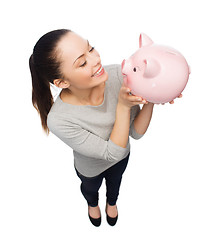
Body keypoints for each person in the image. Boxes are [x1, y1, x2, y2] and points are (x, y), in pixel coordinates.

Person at [29, 29, 160, 227]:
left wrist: (153, 96)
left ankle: (112, 202)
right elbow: (112, 152)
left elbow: (136, 133)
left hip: (122, 158)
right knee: (90, 189)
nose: (96, 59)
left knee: (115, 184)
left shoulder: (118, 74)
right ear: (62, 82)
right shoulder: (59, 120)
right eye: (82, 62)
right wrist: (123, 106)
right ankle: (92, 204)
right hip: (89, 169)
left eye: (91, 48)